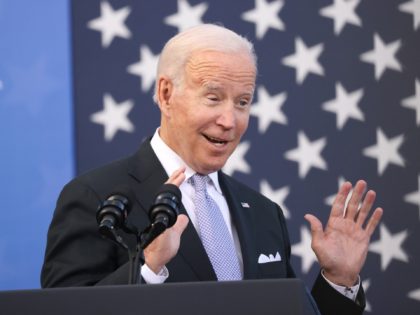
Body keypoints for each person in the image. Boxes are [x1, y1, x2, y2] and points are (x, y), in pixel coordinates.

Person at [41, 24, 383, 315]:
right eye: (213, 97)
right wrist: (148, 268)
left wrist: (337, 281)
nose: (229, 121)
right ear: (166, 94)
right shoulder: (97, 196)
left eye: (243, 102)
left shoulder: (264, 214)